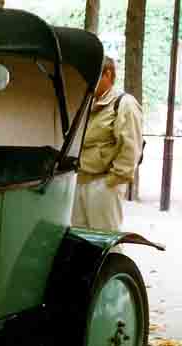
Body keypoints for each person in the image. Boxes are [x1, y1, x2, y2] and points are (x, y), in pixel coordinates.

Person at [72, 56, 143, 231]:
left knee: (105, 239)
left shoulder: (124, 103)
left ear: (108, 74)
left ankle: (114, 260)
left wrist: (111, 182)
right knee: (81, 239)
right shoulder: (87, 102)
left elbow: (131, 148)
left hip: (103, 183)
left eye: (93, 75)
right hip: (80, 180)